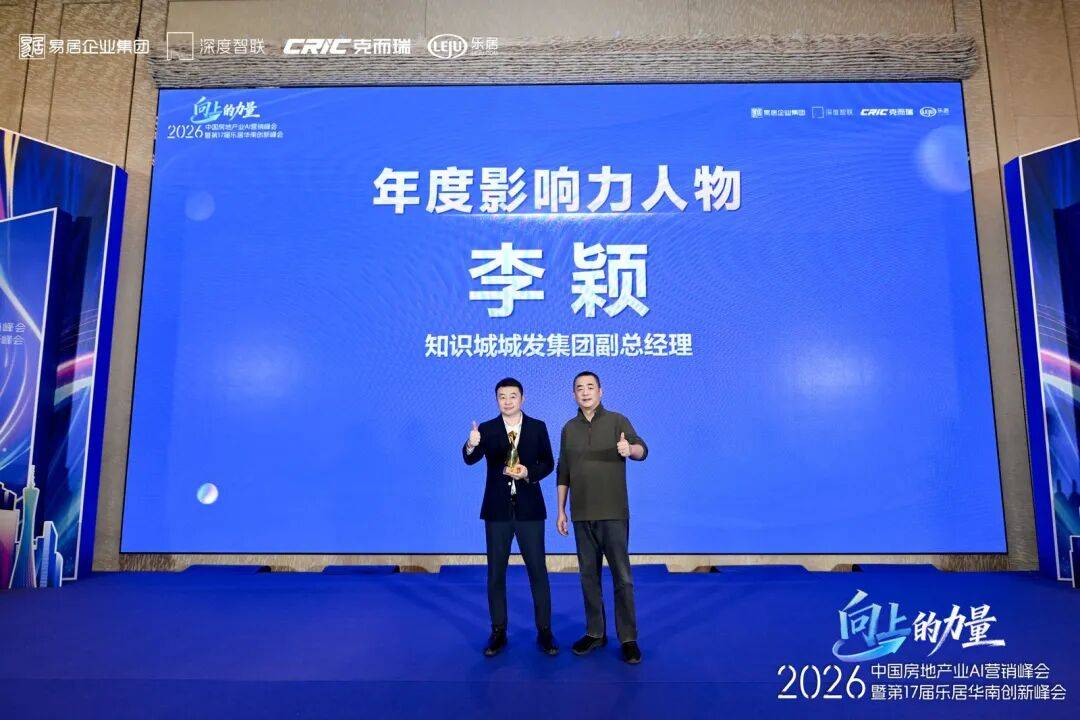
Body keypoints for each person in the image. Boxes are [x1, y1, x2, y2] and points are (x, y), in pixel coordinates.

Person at [556, 370, 648, 664]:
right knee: (588, 576)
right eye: (579, 388)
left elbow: (642, 450)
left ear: (600, 391)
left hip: (613, 513)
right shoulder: (569, 428)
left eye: (590, 387)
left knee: (622, 577)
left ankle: (628, 638)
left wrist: (629, 449)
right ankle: (595, 632)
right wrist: (561, 510)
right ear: (573, 394)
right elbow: (563, 471)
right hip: (581, 515)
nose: (585, 392)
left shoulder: (617, 421)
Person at [463, 377, 558, 657]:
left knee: (538, 571)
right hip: (497, 511)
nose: (507, 401)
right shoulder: (487, 429)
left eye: (512, 396)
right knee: (496, 573)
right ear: (497, 400)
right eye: (502, 396)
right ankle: (498, 631)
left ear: (522, 398)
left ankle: (544, 631)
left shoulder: (538, 427)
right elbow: (470, 459)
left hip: (530, 510)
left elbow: (548, 463)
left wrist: (529, 472)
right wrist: (471, 444)